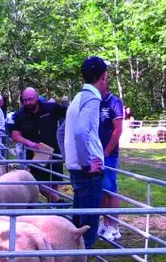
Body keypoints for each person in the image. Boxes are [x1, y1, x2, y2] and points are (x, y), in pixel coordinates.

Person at [63, 57, 108, 249]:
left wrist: (70, 158)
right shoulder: (92, 98)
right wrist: (86, 163)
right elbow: (81, 132)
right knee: (87, 229)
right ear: (103, 77)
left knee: (78, 225)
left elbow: (61, 131)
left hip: (77, 169)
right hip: (87, 171)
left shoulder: (77, 98)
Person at [11, 87, 67, 203]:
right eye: (25, 100)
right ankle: (59, 203)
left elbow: (70, 114)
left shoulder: (51, 108)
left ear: (37, 98)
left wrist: (65, 133)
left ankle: (54, 209)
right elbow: (15, 136)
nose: (28, 103)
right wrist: (30, 143)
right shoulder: (20, 115)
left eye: (30, 99)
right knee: (38, 184)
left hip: (53, 151)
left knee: (54, 183)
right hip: (35, 154)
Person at [96, 85, 124, 241]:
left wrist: (106, 152)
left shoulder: (114, 102)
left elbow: (118, 129)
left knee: (110, 188)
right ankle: (106, 223)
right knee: (102, 189)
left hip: (109, 155)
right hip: (96, 154)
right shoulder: (94, 101)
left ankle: (114, 226)